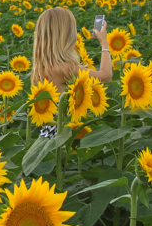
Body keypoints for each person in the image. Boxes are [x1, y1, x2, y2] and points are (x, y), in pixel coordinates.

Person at [31, 7, 113, 137]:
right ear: (67, 35)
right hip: (62, 136)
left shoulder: (41, 67)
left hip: (47, 133)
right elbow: (106, 75)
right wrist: (104, 43)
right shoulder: (65, 68)